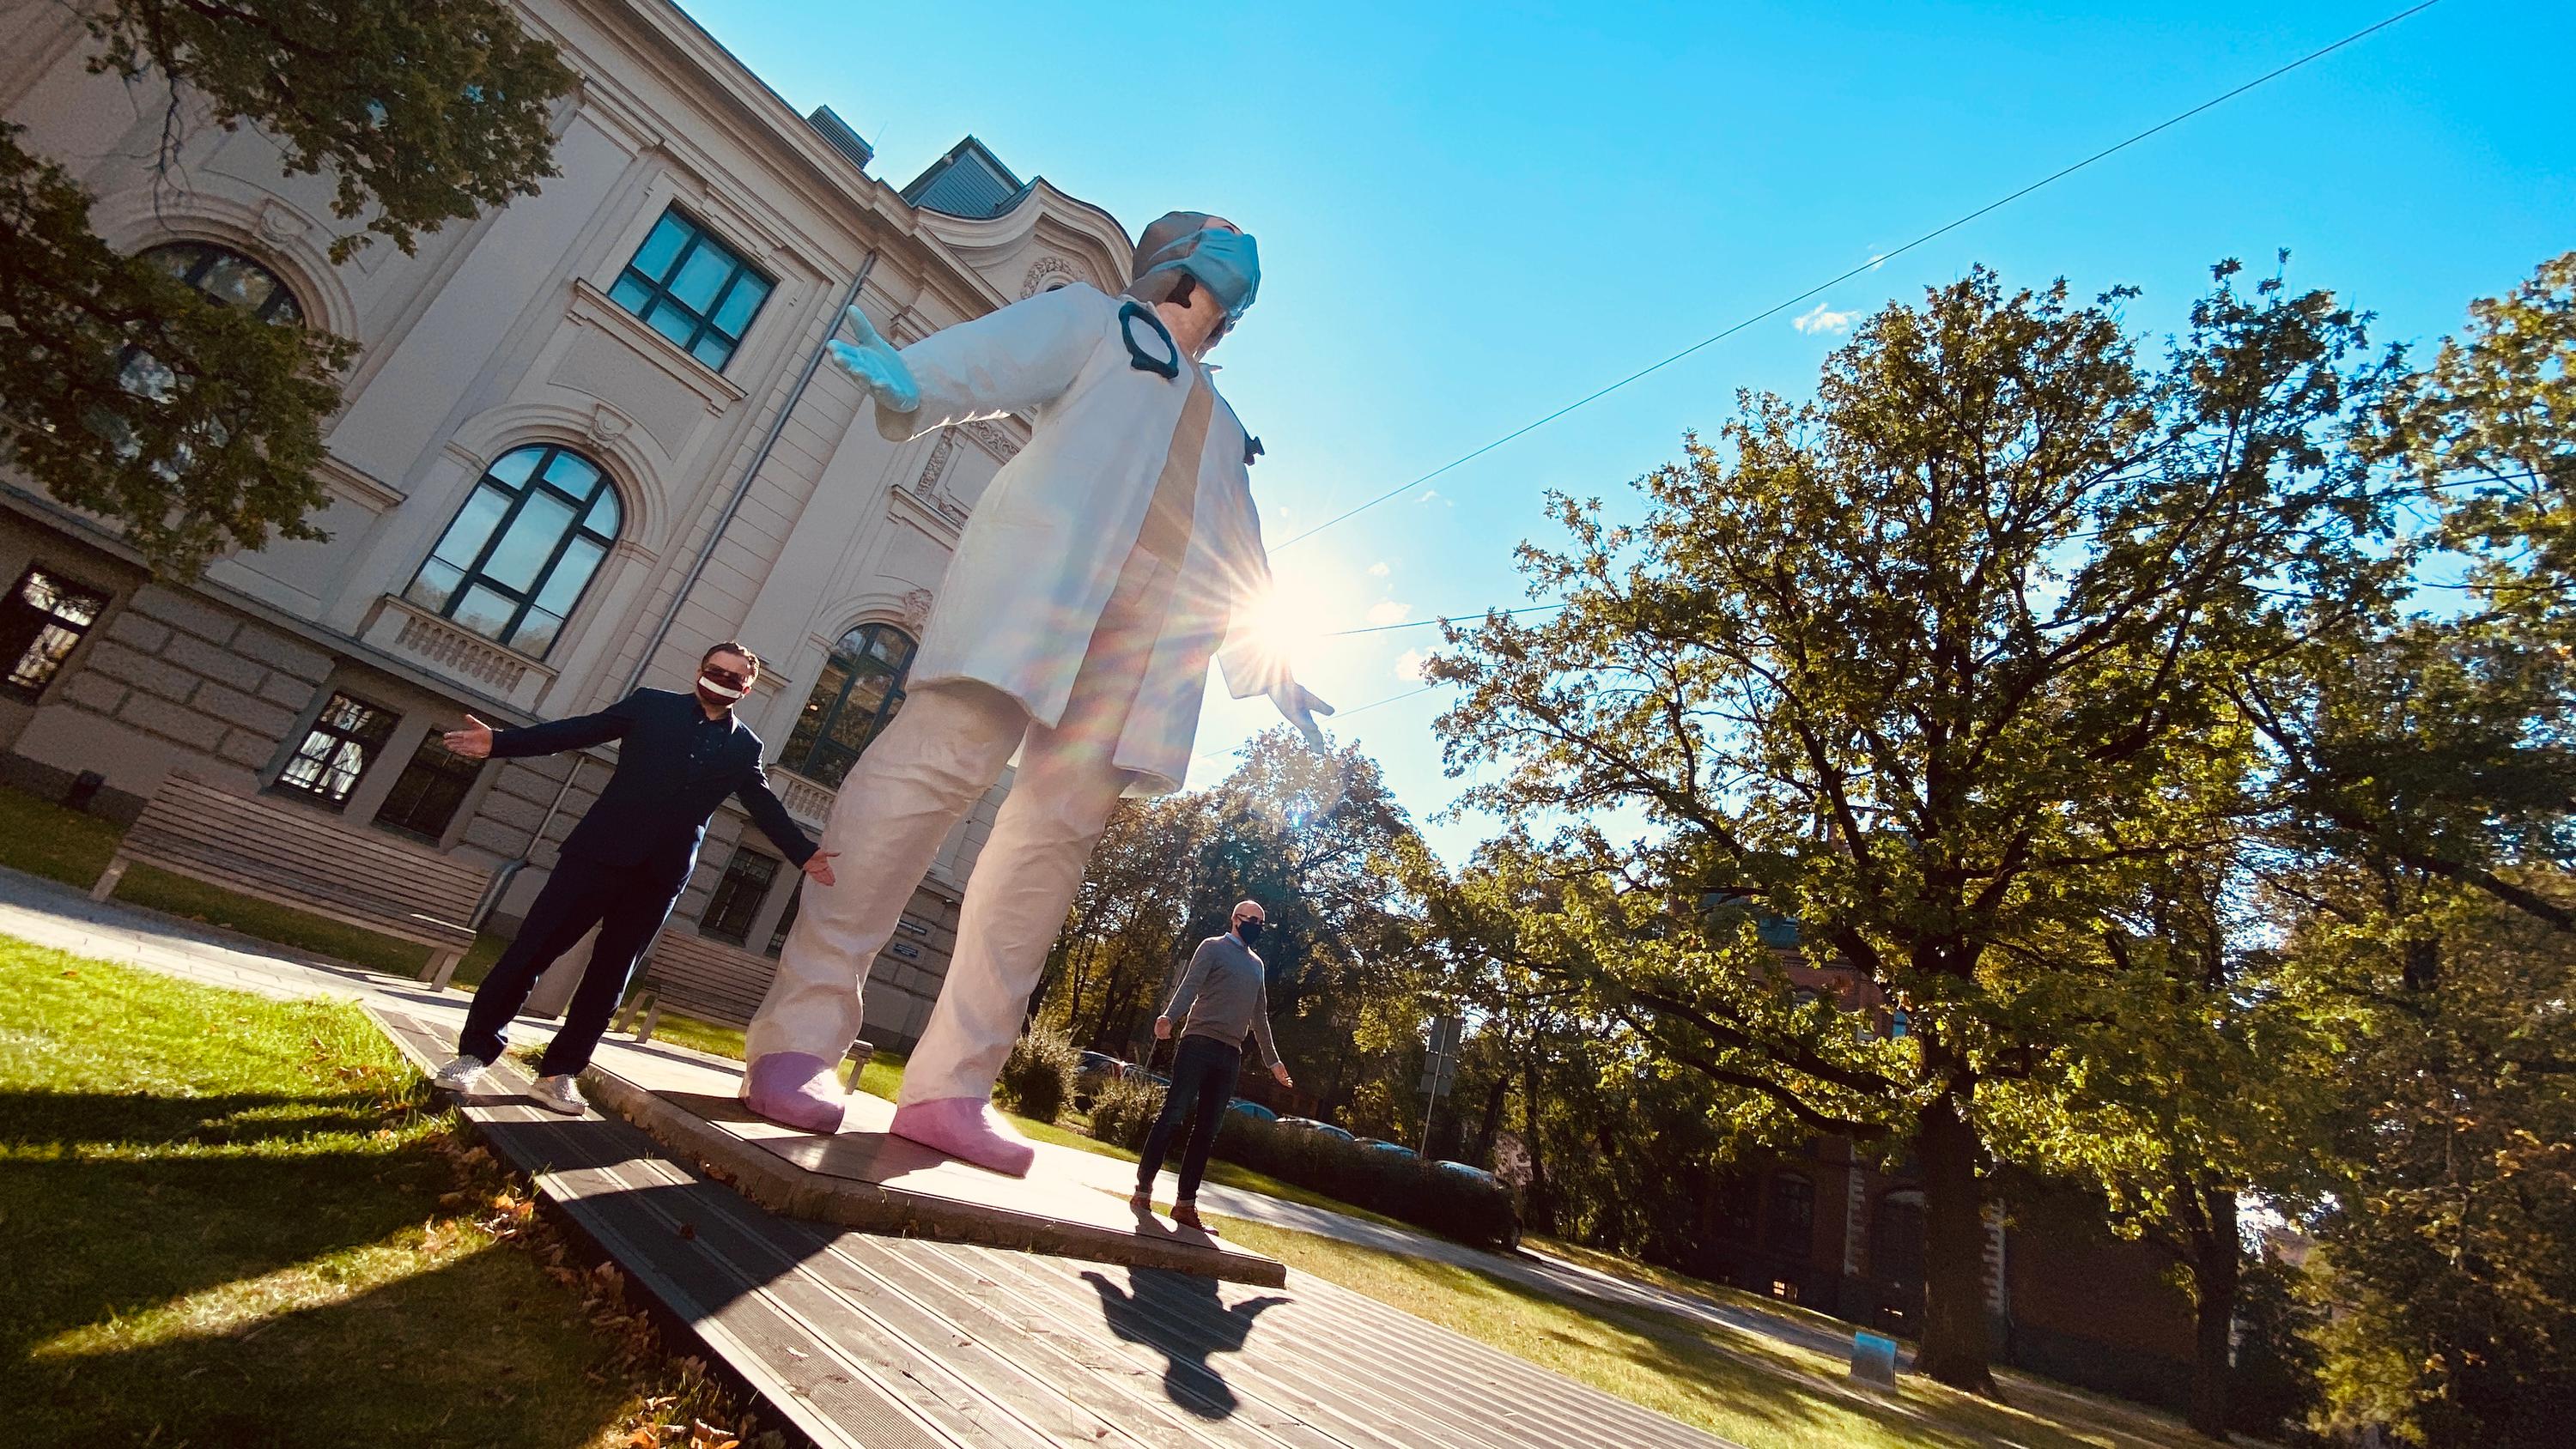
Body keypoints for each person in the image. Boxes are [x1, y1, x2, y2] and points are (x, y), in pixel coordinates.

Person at [738, 211, 1331, 1175]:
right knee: (934, 765)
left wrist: (1275, 667)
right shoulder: (1098, 320)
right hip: (1048, 583)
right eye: (1224, 241)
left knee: (1051, 847)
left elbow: (1242, 552)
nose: (1241, 262)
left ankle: (951, 1086)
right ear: (1179, 259)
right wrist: (918, 379)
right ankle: (800, 1037)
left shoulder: (1225, 426)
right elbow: (1000, 355)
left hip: (1150, 637)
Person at [428, 642, 835, 1113]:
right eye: (714, 670)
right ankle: (475, 1055)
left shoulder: (746, 747)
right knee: (530, 952)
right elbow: (578, 732)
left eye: (732, 677)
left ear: (746, 689)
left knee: (610, 979)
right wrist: (501, 743)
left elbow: (763, 806)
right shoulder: (650, 706)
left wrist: (803, 853)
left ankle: (559, 1074)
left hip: (659, 877)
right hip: (596, 855)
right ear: (699, 670)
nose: (720, 680)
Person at [1132, 900, 1293, 1234]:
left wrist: (1272, 1061)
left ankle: (1185, 1206)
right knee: (1173, 1115)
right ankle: (1143, 1191)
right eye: (1252, 920)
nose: (1257, 927)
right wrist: (1169, 1017)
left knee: (1207, 1132)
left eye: (1262, 923)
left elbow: (1259, 1016)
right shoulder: (1213, 948)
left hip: (1229, 1055)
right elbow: (1189, 986)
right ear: (1235, 919)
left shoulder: (1257, 966)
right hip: (1198, 1045)